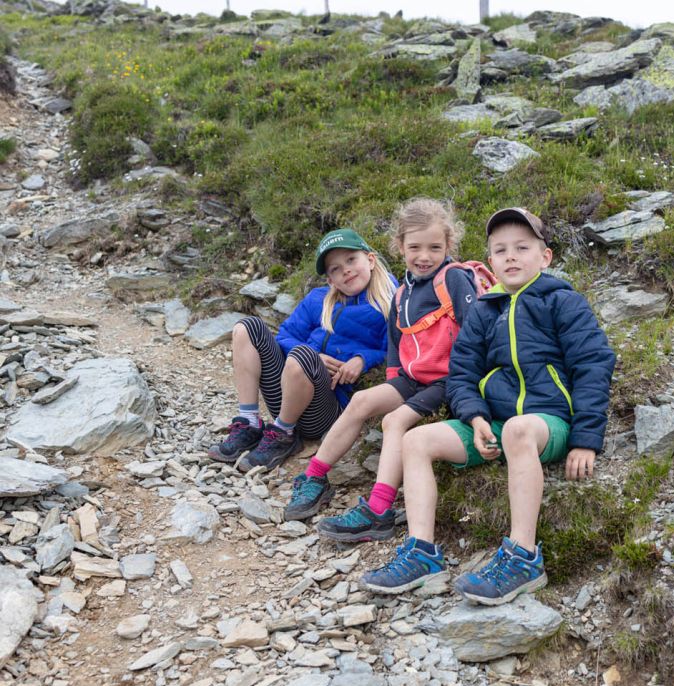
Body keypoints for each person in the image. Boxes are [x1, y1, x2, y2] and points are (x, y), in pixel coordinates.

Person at [359, 207, 616, 605]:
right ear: (490, 261)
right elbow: (461, 374)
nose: (511, 256)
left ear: (544, 257)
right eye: (500, 250)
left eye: (522, 247)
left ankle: (523, 557)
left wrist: (585, 439)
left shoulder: (563, 301)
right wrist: (475, 417)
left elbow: (593, 365)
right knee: (415, 441)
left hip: (548, 422)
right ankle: (421, 552)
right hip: (494, 425)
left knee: (517, 429)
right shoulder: (484, 310)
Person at [284, 198, 478, 541]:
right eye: (415, 247)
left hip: (451, 378)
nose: (424, 256)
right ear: (399, 247)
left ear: (449, 245)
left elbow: (475, 332)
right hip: (412, 378)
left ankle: (379, 511)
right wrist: (392, 385)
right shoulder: (402, 292)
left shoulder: (455, 279)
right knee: (361, 402)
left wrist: (466, 388)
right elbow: (394, 345)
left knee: (394, 420)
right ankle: (314, 475)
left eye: (435, 247)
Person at [208, 229, 396, 473]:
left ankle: (283, 435)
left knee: (302, 356)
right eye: (335, 269)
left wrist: (363, 358)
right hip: (288, 393)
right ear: (330, 280)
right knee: (247, 327)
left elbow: (395, 351)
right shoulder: (318, 299)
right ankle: (250, 422)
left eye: (351, 260)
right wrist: (313, 356)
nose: (346, 270)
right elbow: (285, 335)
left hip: (325, 409)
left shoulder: (390, 302)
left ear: (370, 260)